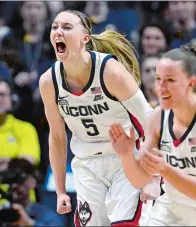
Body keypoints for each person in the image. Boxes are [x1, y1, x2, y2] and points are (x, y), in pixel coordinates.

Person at [39, 10, 156, 226]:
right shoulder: (49, 81)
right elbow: (56, 138)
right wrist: (61, 190)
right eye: (55, 27)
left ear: (85, 38)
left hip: (126, 158)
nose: (58, 32)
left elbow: (150, 122)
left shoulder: (110, 71)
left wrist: (154, 177)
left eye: (66, 27)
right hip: (86, 163)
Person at [109, 45, 196, 226]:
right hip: (172, 208)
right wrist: (126, 155)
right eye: (158, 79)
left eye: (170, 80)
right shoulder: (157, 117)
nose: (160, 87)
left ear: (190, 82)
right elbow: (140, 179)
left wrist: (165, 169)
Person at [0, 77, 40, 216]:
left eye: (2, 94)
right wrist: (10, 160)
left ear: (11, 98)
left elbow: (26, 164)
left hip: (22, 207)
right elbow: (17, 163)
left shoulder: (25, 129)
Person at [0, 158, 66, 226]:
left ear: (33, 182)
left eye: (20, 180)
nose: (15, 185)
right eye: (11, 179)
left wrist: (30, 223)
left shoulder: (46, 215)